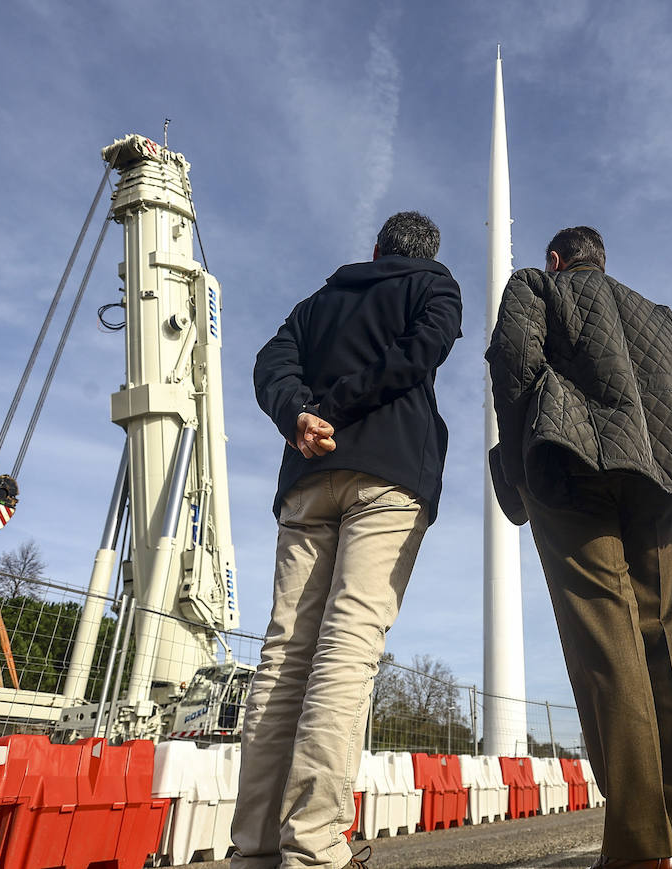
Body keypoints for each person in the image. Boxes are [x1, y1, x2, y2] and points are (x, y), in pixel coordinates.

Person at [486, 226, 672, 869]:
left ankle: (643, 849)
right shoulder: (658, 314)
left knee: (605, 647)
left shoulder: (535, 286)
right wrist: (668, 447)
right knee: (670, 642)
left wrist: (521, 468)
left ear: (557, 260)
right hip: (656, 477)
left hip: (569, 469)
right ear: (603, 261)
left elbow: (513, 367)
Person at [233, 211, 462, 869]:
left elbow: (268, 363)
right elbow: (423, 352)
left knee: (283, 654)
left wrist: (300, 412)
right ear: (426, 254)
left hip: (308, 478)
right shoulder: (435, 285)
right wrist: (341, 406)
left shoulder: (315, 304)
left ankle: (254, 846)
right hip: (387, 471)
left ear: (374, 248)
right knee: (348, 644)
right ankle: (314, 842)